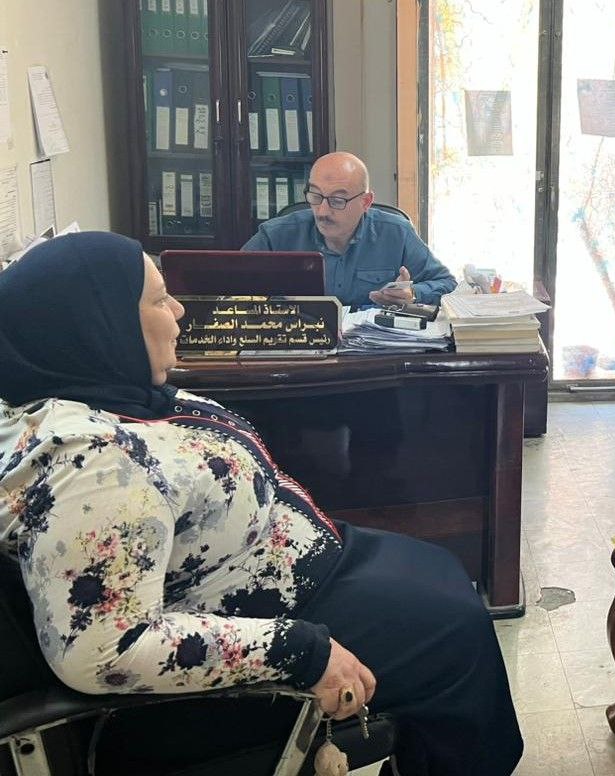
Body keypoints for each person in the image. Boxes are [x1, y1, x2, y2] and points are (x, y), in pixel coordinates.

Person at [0, 232, 521, 774]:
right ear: (97, 328)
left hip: (279, 570)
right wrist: (302, 651)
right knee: (455, 636)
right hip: (264, 632)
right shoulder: (94, 470)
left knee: (440, 576)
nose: (178, 311)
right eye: (158, 299)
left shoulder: (103, 392)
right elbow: (104, 651)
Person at [242, 151, 457, 308]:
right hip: (300, 345)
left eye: (337, 200)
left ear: (366, 202)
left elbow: (447, 284)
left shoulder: (397, 233)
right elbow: (230, 286)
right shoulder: (275, 236)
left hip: (372, 349)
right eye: (315, 196)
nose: (322, 211)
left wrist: (413, 293)